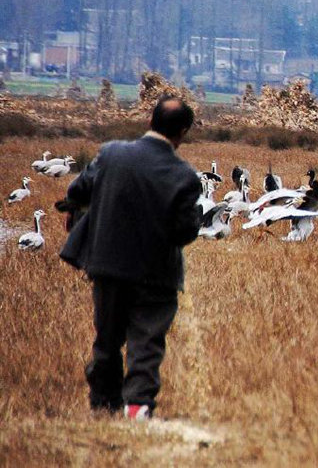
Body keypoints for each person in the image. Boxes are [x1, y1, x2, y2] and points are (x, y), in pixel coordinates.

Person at [60, 96, 202, 420]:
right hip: (156, 274)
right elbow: (185, 232)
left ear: (149, 122)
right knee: (147, 340)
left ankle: (102, 403)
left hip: (108, 266)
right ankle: (137, 404)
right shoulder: (184, 176)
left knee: (107, 337)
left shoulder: (112, 154)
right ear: (183, 132)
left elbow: (78, 190)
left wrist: (83, 210)